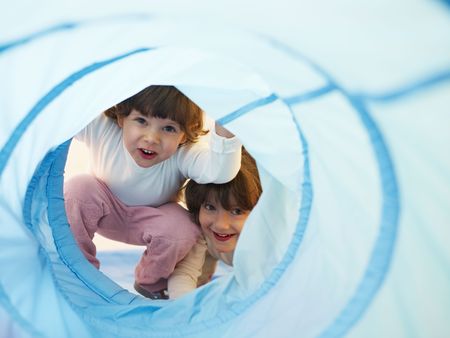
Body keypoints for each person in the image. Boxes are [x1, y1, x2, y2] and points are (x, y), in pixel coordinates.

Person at [64, 85, 241, 299]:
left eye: (168, 129)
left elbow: (219, 172)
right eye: (141, 121)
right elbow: (64, 115)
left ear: (184, 135)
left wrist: (228, 119)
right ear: (121, 119)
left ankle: (151, 282)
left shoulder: (183, 153)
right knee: (78, 187)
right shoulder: (103, 128)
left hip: (151, 222)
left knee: (184, 226)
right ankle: (78, 272)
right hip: (102, 209)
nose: (152, 138)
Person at [168, 149, 262, 297]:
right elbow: (183, 274)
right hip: (210, 248)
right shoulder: (200, 230)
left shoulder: (264, 242)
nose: (221, 225)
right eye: (210, 207)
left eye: (236, 211)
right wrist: (184, 310)